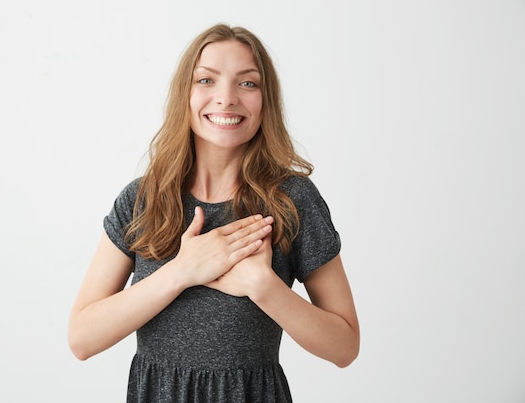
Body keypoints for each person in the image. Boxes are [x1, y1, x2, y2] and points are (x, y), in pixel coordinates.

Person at [68, 23, 360, 403]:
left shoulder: (292, 200)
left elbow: (345, 346)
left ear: (265, 100)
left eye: (247, 83)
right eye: (206, 80)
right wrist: (183, 271)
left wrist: (263, 286)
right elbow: (82, 338)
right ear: (184, 95)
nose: (226, 99)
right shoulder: (143, 199)